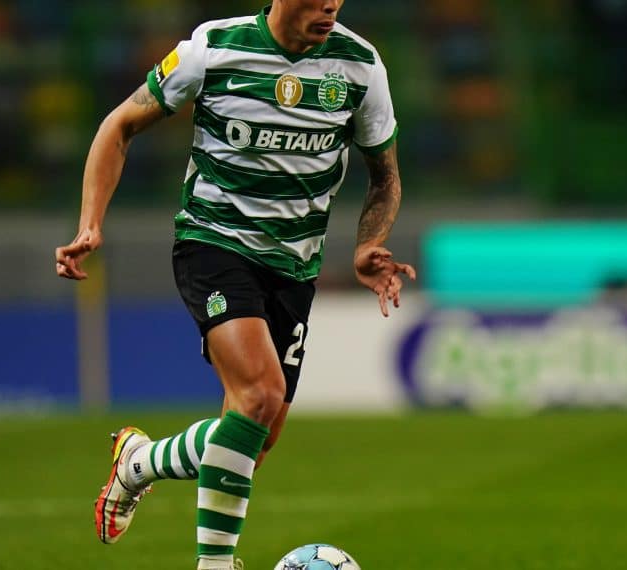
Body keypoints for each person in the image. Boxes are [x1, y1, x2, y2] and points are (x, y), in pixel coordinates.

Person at [54, 2, 415, 568]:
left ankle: (139, 463)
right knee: (260, 396)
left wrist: (369, 244)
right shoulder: (213, 49)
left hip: (294, 267)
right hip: (213, 244)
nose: (331, 6)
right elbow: (118, 125)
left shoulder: (361, 66)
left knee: (254, 435)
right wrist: (90, 223)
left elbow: (385, 175)